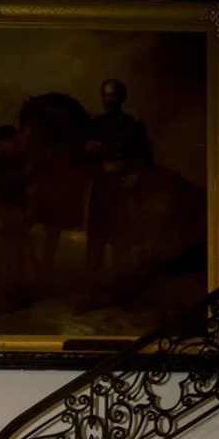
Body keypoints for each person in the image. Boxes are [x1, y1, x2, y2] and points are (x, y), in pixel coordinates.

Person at [82, 78, 153, 304]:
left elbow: (145, 158)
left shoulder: (133, 126)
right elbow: (81, 161)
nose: (108, 99)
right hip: (102, 189)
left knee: (121, 243)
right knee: (96, 244)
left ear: (121, 97)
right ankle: (91, 296)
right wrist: (88, 150)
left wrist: (135, 176)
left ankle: (121, 296)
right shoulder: (95, 125)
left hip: (122, 190)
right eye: (105, 95)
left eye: (113, 95)